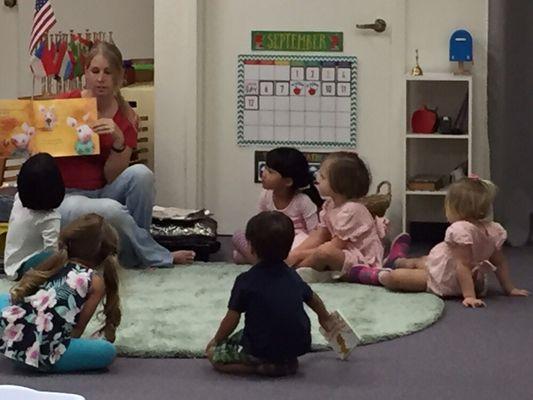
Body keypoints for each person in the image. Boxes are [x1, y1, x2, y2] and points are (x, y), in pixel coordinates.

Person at [56, 41, 194, 268]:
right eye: (95, 71)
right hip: (67, 197)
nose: (101, 79)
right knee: (111, 210)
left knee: (142, 175)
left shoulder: (126, 118)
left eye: (108, 72)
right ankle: (155, 255)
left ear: (118, 78)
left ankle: (131, 256)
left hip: (101, 189)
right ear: (86, 73)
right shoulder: (65, 105)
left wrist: (119, 140)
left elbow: (111, 176)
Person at [206, 211, 332, 376]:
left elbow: (232, 318)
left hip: (260, 347)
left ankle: (257, 367)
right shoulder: (293, 276)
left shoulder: (246, 280)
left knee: (216, 358)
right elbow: (313, 299)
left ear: (251, 247)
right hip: (298, 344)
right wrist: (325, 317)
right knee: (270, 334)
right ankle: (286, 362)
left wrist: (216, 340)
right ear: (288, 248)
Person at [379, 177, 529, 307]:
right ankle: (397, 259)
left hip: (444, 279)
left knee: (396, 277)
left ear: (455, 208)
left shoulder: (461, 229)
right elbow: (500, 262)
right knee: (422, 262)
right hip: (447, 268)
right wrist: (509, 288)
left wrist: (469, 296)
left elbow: (463, 265)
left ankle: (375, 274)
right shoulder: (493, 229)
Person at [0, 213, 121, 372]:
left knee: (5, 299)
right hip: (43, 356)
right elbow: (77, 329)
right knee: (107, 352)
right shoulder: (96, 282)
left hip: (11, 340)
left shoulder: (56, 262)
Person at [286, 152, 387, 284]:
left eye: (322, 176)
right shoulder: (330, 205)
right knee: (307, 250)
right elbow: (319, 236)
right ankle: (309, 271)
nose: (316, 177)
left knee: (324, 252)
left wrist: (299, 257)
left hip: (362, 260)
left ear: (340, 184)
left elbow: (335, 246)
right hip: (344, 254)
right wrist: (294, 253)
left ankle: (292, 275)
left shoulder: (352, 210)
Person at [233, 147, 323, 264]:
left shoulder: (303, 201)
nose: (263, 173)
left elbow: (314, 235)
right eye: (265, 168)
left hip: (294, 243)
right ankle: (269, 263)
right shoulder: (266, 196)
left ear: (288, 181)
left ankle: (265, 263)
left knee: (301, 242)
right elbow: (260, 225)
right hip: (270, 242)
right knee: (238, 237)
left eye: (270, 172)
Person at [3, 153, 64, 280]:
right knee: (61, 256)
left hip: (10, 261)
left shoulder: (18, 199)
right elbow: (52, 253)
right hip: (23, 269)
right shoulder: (50, 219)